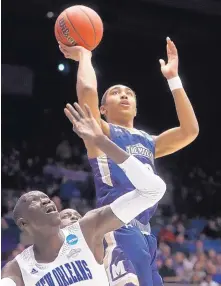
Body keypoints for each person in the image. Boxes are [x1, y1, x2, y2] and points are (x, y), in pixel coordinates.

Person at [60, 37, 199, 285]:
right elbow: (88, 93)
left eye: (129, 94)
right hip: (117, 226)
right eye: (115, 93)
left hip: (145, 233)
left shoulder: (150, 142)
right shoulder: (99, 133)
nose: (123, 95)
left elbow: (190, 131)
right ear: (102, 109)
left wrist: (173, 79)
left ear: (135, 109)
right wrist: (85, 56)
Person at [1, 103, 166, 286]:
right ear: (23, 223)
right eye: (33, 200)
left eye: (45, 198)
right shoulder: (17, 269)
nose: (45, 200)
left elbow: (153, 190)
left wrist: (101, 141)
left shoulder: (86, 229)